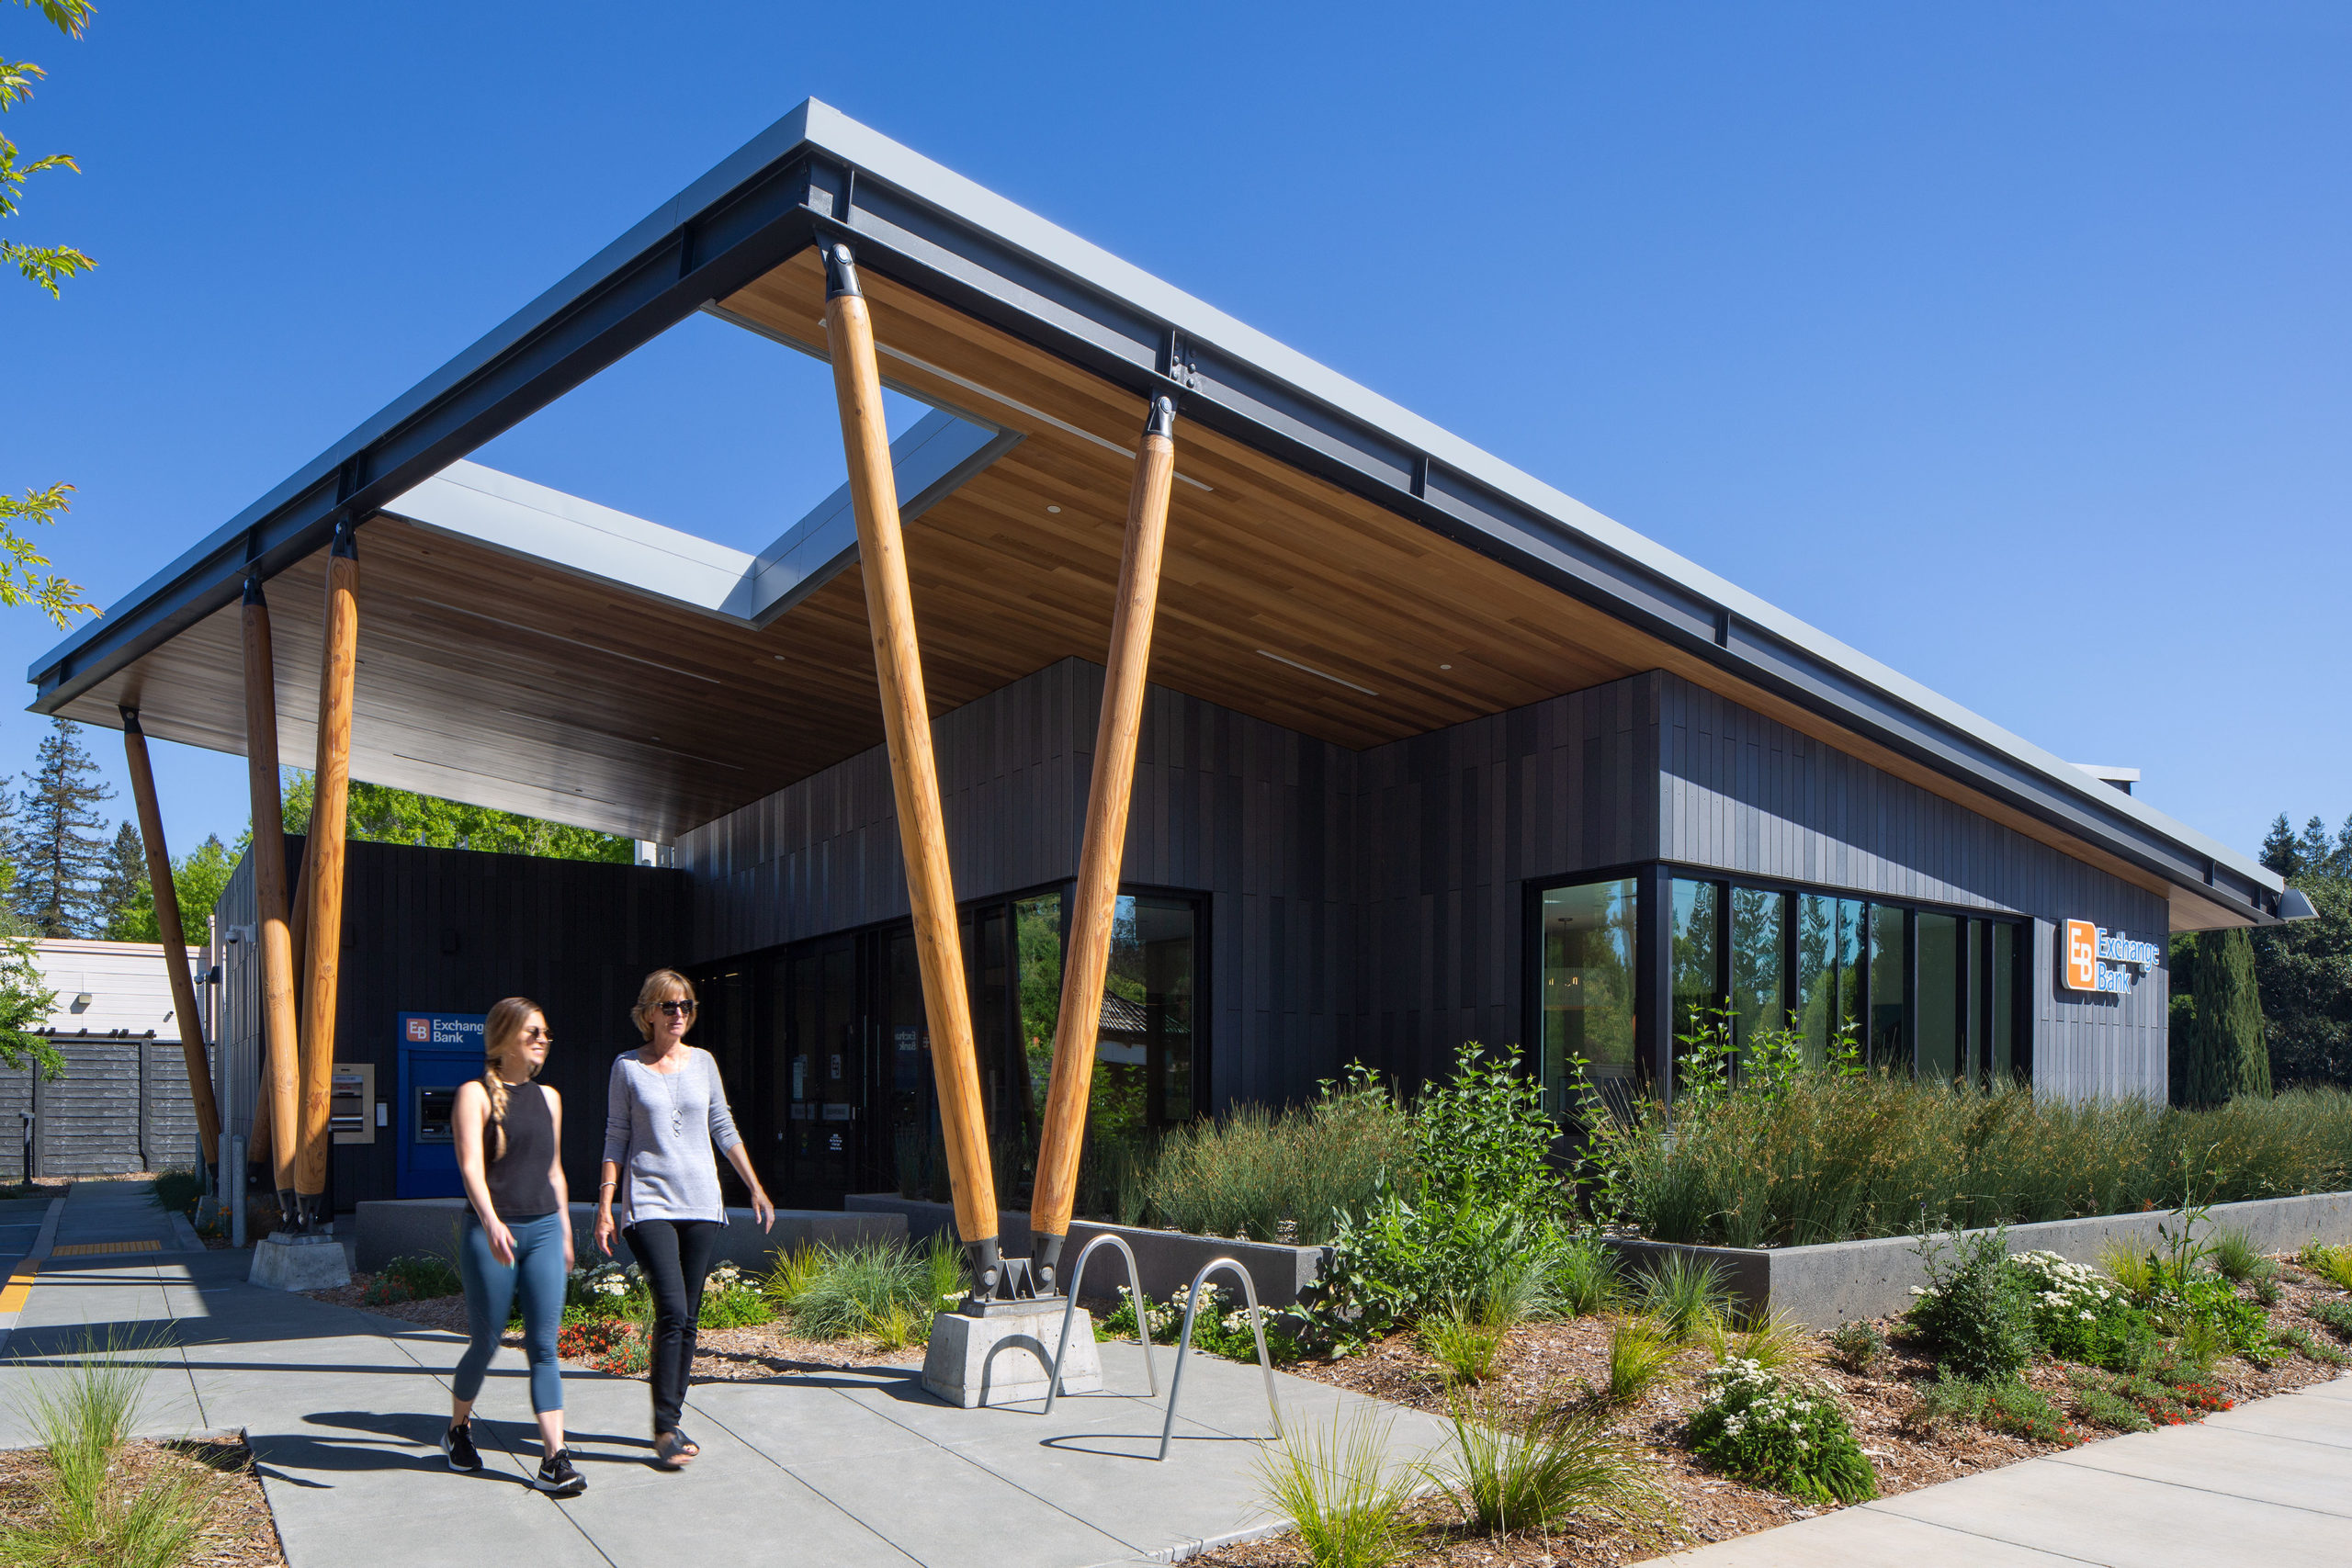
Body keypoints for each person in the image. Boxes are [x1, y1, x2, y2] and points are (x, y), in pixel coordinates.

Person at [595, 969, 775, 1469]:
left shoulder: (705, 1063)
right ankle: (666, 1428)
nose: (680, 1015)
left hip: (701, 1203)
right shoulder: (627, 1067)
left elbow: (723, 1124)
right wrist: (607, 1204)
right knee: (672, 1309)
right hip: (649, 1203)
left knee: (688, 1317)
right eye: (670, 1006)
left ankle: (668, 1417)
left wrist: (755, 1186)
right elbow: (616, 1136)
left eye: (687, 1006)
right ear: (648, 1012)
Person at [445, 996, 584, 1496]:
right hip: (491, 1234)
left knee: (544, 1347)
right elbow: (470, 1169)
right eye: (534, 1033)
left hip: (544, 1230)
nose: (544, 1041)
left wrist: (565, 1230)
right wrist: (492, 1220)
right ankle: (458, 1428)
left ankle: (554, 1458)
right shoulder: (473, 1095)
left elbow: (554, 1171)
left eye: (546, 1033)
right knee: (485, 1344)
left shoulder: (551, 1098)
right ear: (504, 1039)